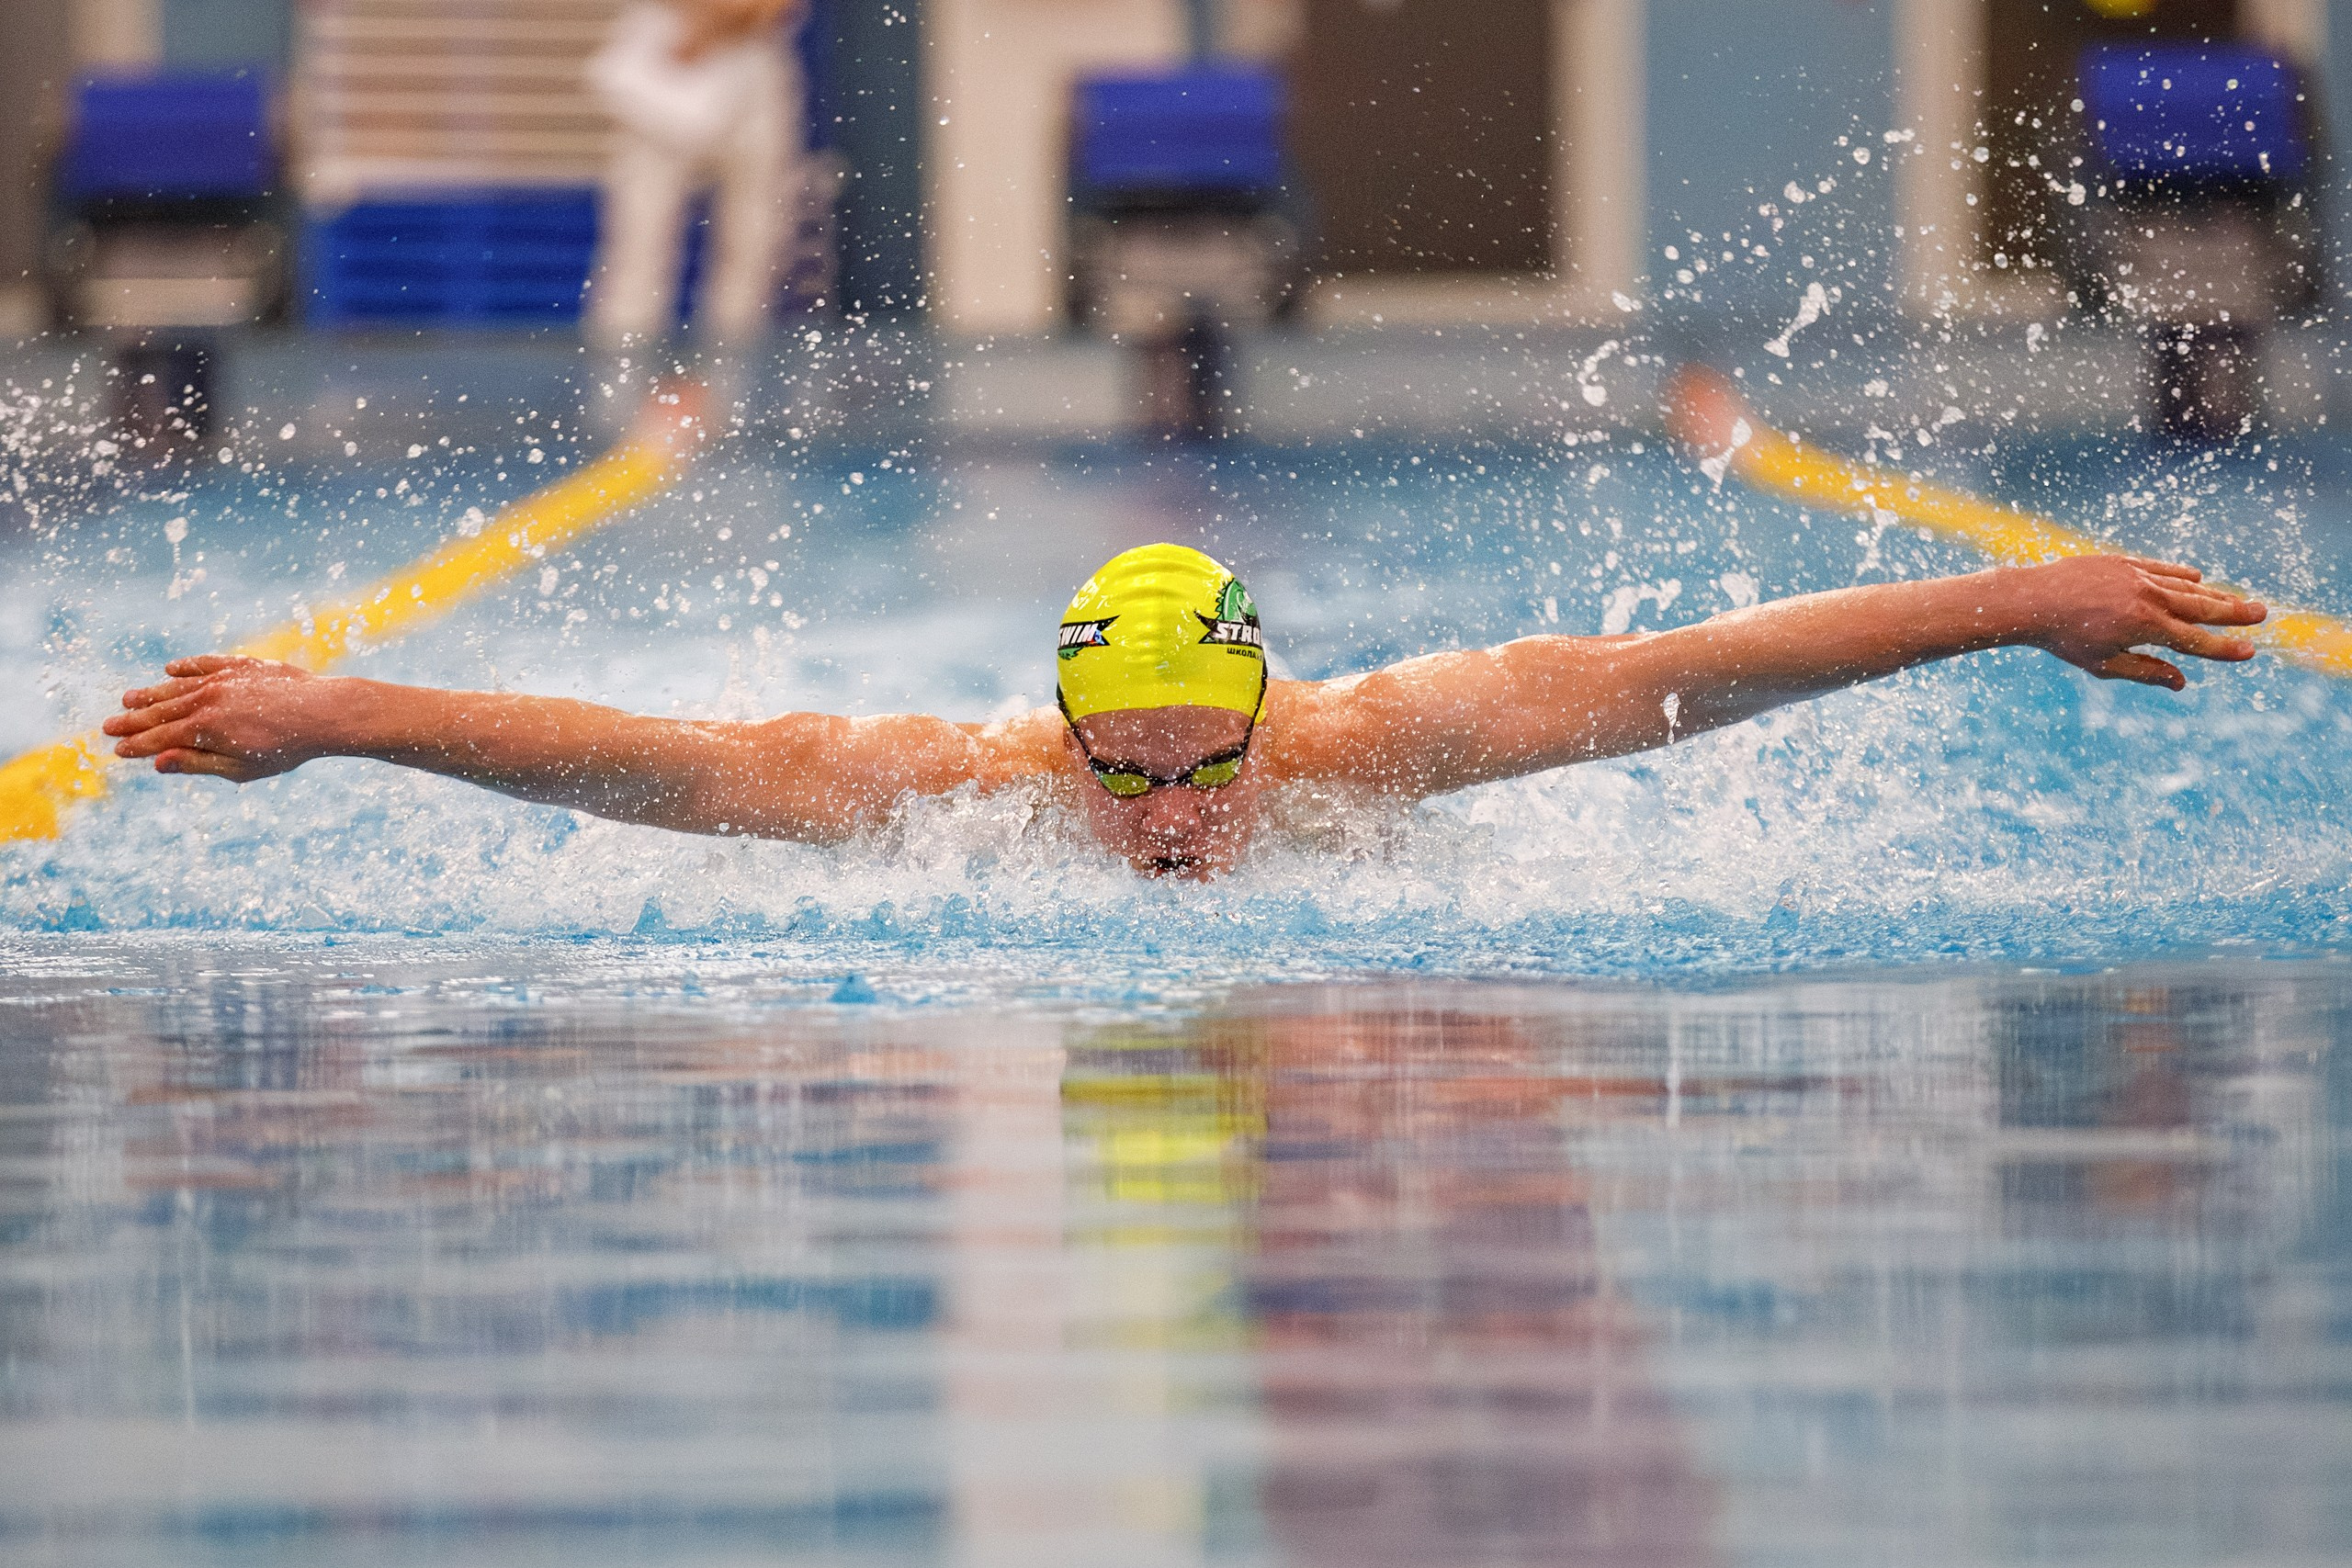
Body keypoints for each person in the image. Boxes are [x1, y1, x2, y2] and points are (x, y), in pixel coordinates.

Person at [101, 543, 2267, 878]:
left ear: (1263, 712)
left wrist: (2021, 603)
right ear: (1055, 729)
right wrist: (345, 706)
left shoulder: (1369, 739)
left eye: (1194, 757)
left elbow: (1687, 668)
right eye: (1112, 759)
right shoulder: (973, 787)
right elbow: (655, 759)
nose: (1157, 811)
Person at [583, 0, 807, 352]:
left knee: (753, 247)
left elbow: (766, 8)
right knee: (639, 243)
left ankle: (733, 380)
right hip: (663, 60)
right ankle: (619, 381)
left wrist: (714, 24)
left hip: (752, 63)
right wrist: (712, 19)